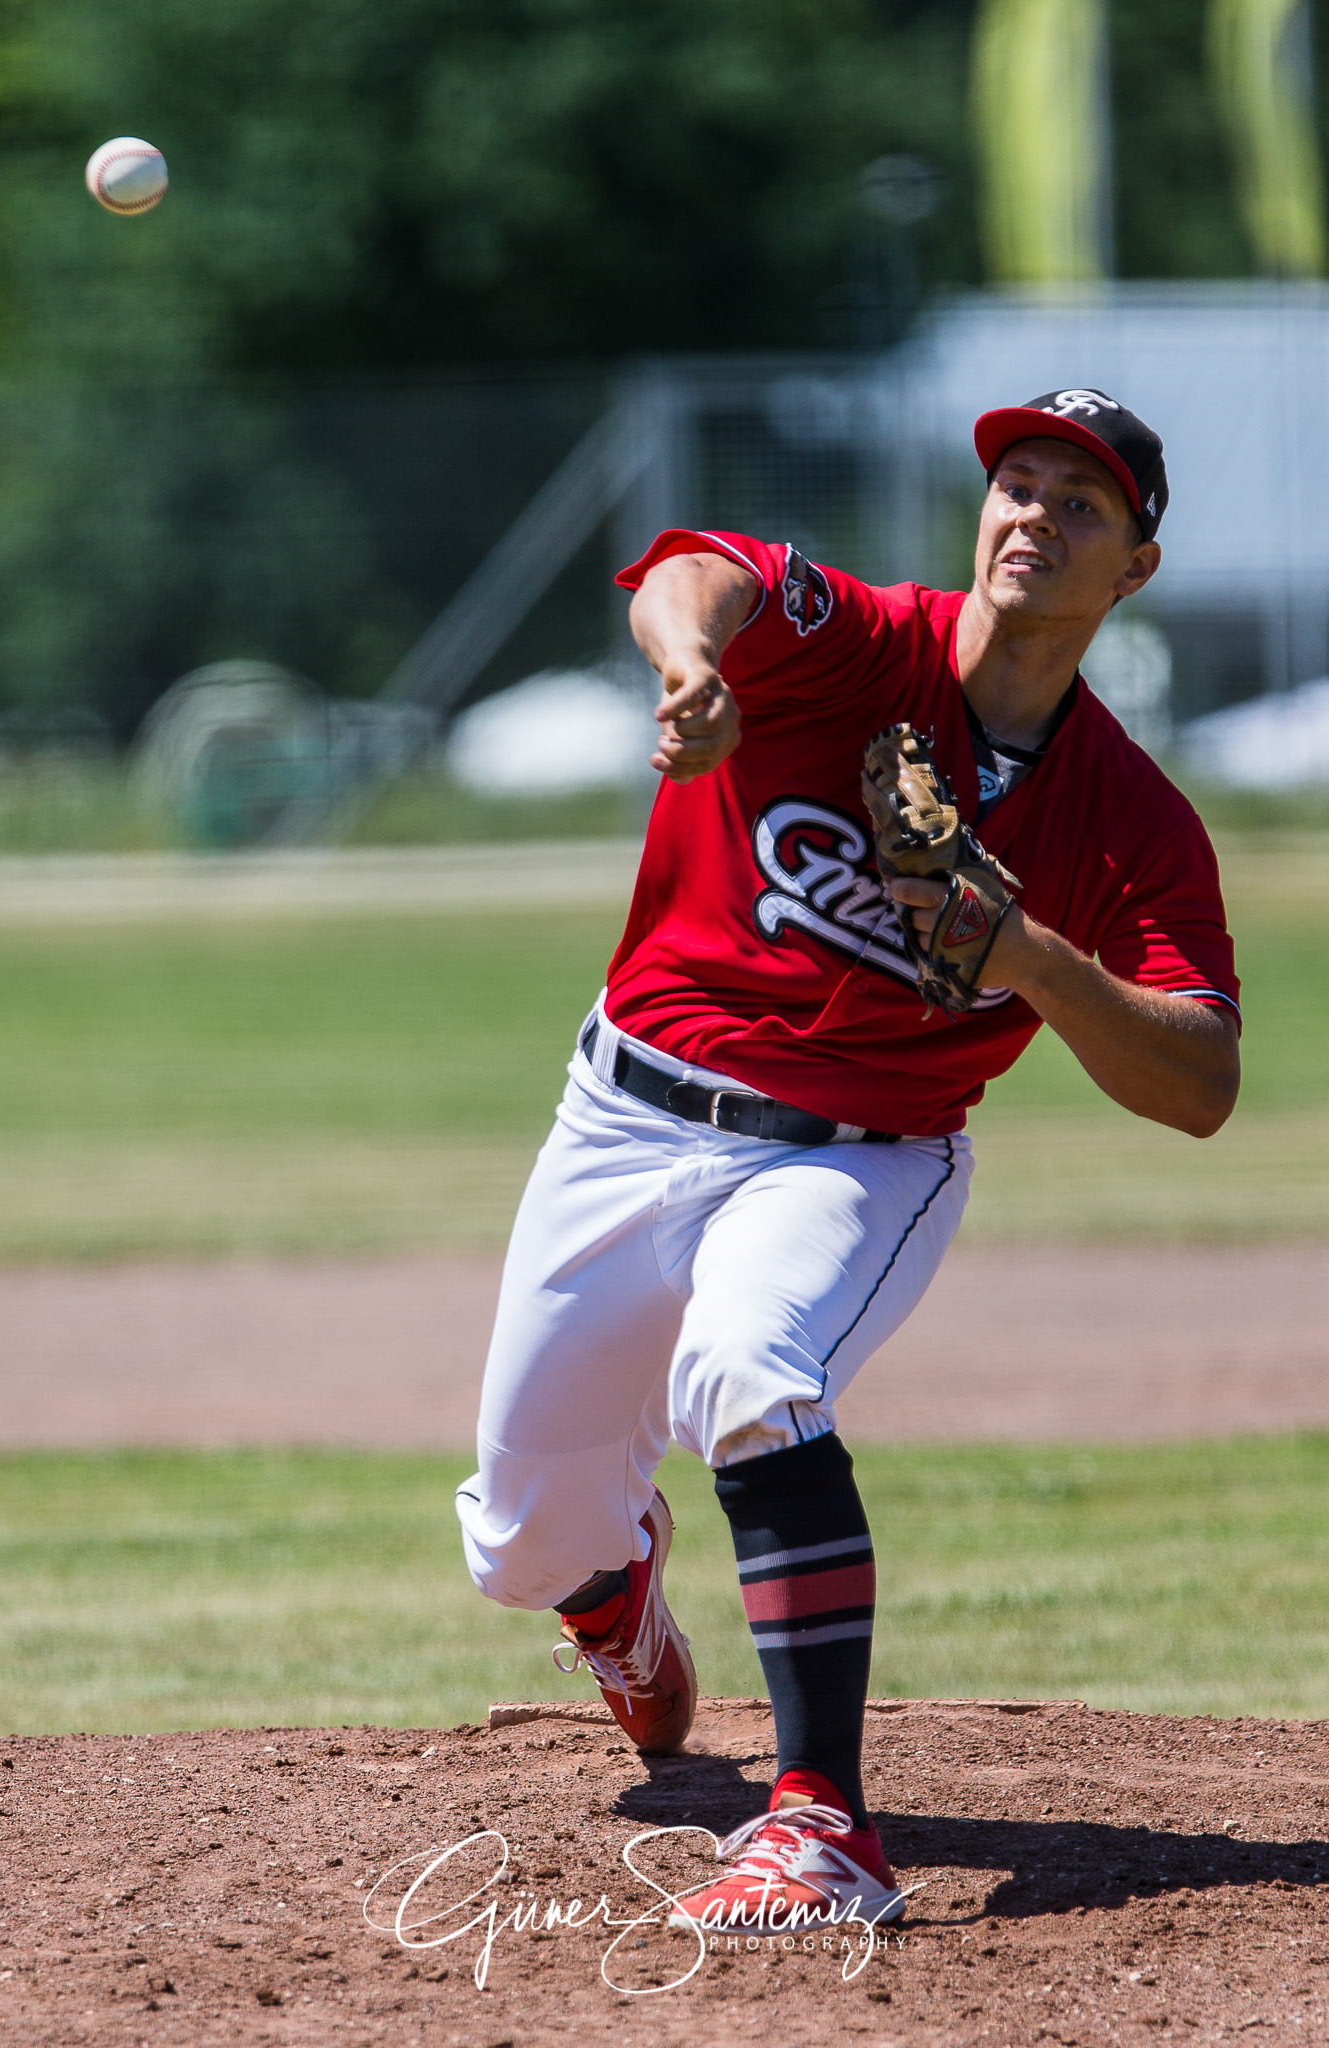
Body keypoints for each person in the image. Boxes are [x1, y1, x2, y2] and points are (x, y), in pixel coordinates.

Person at [455, 389, 1240, 1932]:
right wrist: (692, 668)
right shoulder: (862, 643)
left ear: (1133, 568)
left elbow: (1200, 1083)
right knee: (519, 1541)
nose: (1034, 514)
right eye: (1017, 484)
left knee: (748, 1374)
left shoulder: (1131, 818)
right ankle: (613, 1591)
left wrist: (1031, 957)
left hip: (859, 1157)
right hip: (625, 1115)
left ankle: (822, 1833)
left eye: (1080, 504)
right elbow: (694, 570)